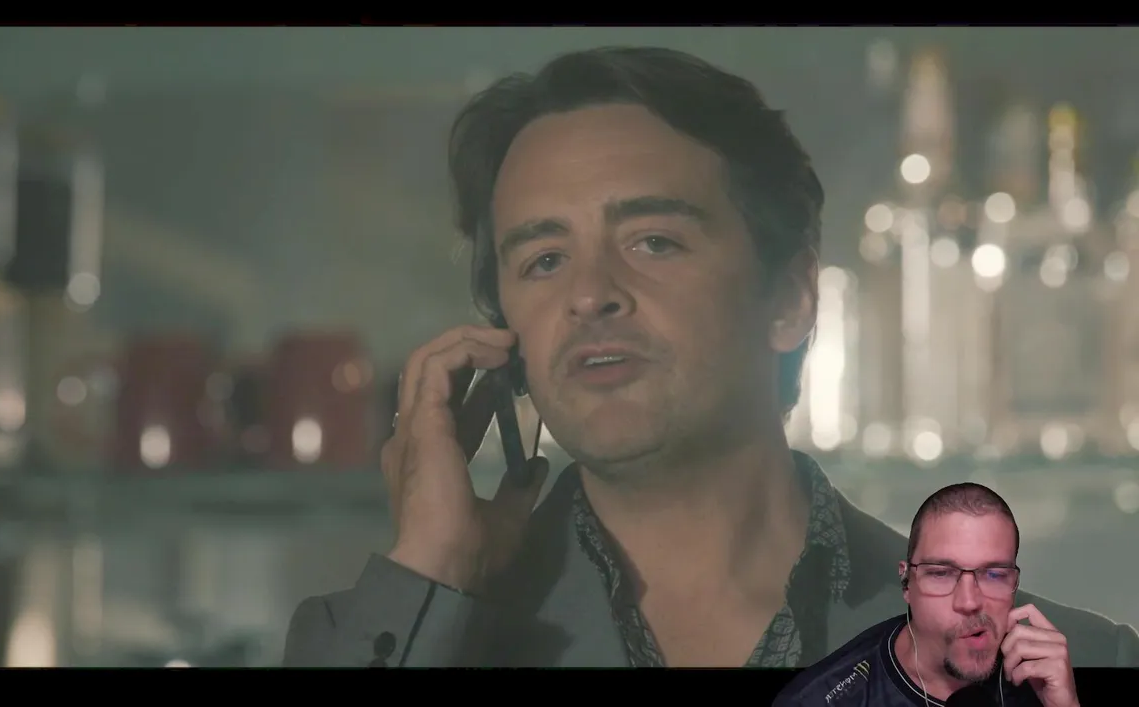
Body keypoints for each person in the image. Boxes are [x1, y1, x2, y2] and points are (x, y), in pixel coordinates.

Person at [282, 46, 1138, 668]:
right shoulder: (397, 639)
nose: (589, 294)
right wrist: (434, 569)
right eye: (543, 260)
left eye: (653, 241)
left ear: (790, 298)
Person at [773, 482, 1136, 706]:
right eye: (942, 574)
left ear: (1014, 584)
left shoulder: (1081, 664)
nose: (969, 602)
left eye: (993, 575)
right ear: (906, 583)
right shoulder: (823, 698)